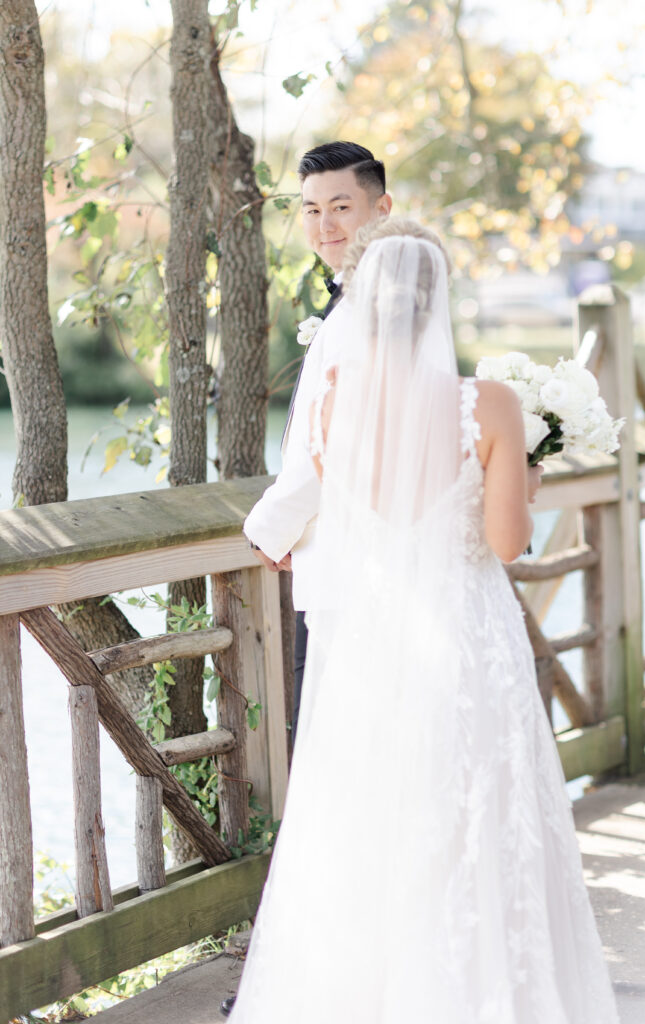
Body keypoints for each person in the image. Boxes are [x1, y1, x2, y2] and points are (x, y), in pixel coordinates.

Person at [224, 219, 620, 1023]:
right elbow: (506, 543)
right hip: (467, 635)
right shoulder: (490, 406)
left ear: (366, 304)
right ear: (437, 301)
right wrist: (525, 480)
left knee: (368, 811)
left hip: (371, 638)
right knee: (472, 808)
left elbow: (346, 510)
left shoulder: (336, 401)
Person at [243, 141, 392, 743]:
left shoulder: (363, 310)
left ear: (381, 209)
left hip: (346, 556)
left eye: (340, 206)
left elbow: (324, 445)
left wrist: (270, 526)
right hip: (374, 549)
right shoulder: (391, 299)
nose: (324, 224)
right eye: (310, 210)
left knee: (328, 735)